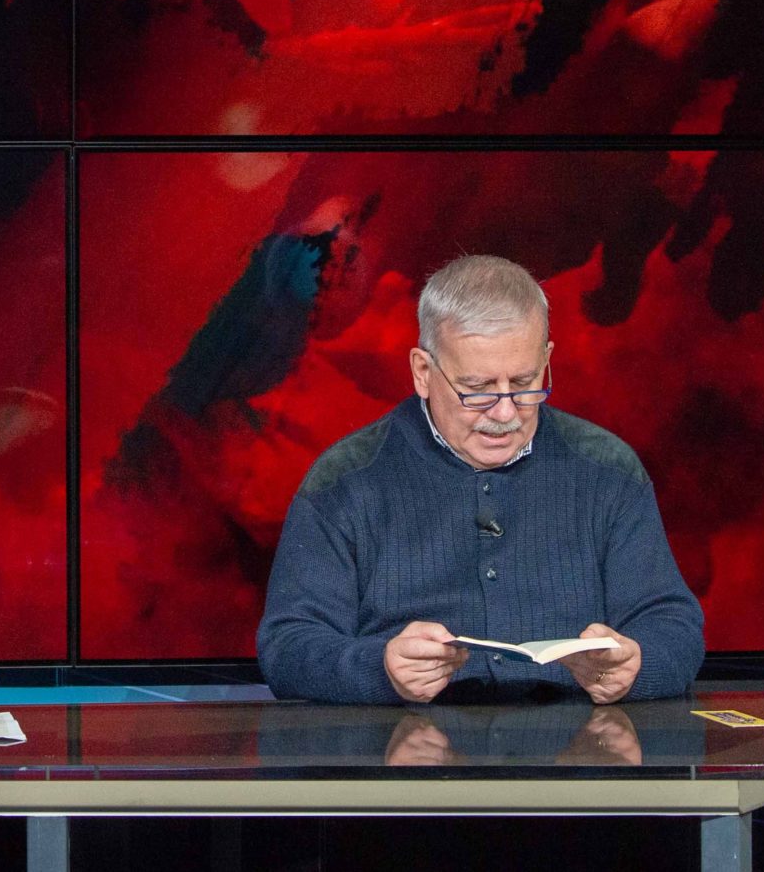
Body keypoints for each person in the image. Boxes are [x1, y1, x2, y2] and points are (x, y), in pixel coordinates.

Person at [256, 253, 704, 705]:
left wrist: (636, 665)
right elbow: (287, 647)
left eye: (524, 383)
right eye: (477, 389)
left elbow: (674, 628)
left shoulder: (608, 472)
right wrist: (380, 668)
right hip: (401, 745)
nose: (506, 412)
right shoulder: (345, 481)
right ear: (423, 372)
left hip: (578, 743)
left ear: (547, 359)